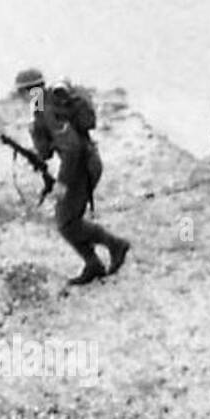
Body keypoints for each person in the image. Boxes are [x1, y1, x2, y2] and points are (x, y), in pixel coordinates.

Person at [16, 69, 130, 285]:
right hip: (80, 165)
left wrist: (62, 184)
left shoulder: (47, 109)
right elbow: (46, 152)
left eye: (22, 93)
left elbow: (72, 149)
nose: (21, 98)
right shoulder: (42, 107)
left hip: (82, 167)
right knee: (65, 219)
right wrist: (36, 136)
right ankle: (93, 263)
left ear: (29, 91)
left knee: (66, 221)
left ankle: (115, 245)